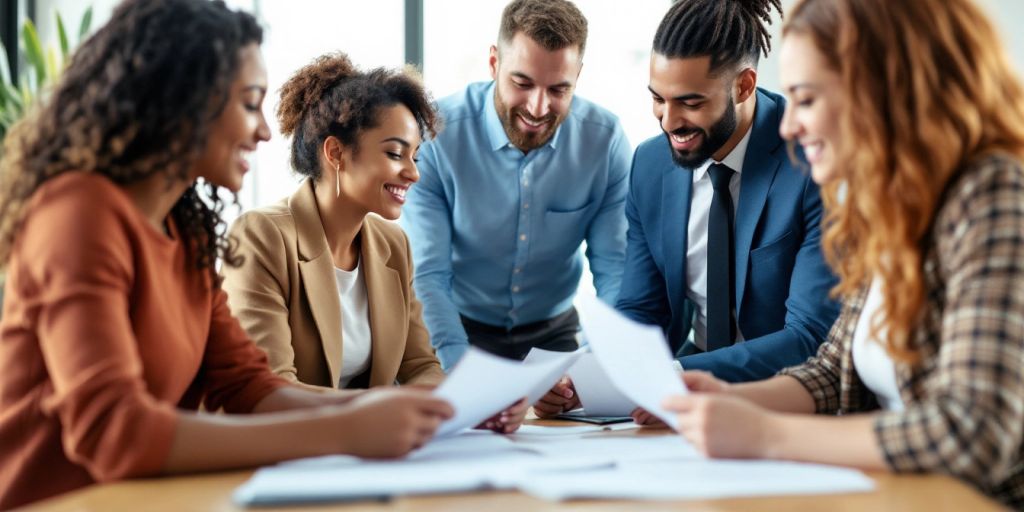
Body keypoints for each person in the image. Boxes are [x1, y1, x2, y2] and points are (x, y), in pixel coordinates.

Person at [0, 1, 453, 508]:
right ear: (183, 101)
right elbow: (114, 432)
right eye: (249, 103)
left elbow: (247, 390)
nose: (264, 130)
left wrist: (410, 408)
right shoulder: (79, 214)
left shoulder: (186, 229)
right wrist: (345, 430)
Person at [661, 0, 1024, 507]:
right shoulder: (885, 205)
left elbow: (971, 432)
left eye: (806, 101)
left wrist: (766, 435)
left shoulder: (995, 194)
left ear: (884, 92)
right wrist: (725, 400)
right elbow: (834, 371)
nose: (787, 127)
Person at [537, 0, 840, 418]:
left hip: (787, 403)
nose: (668, 121)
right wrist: (585, 378)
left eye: (691, 103)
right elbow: (643, 310)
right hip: (686, 399)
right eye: (658, 99)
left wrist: (675, 375)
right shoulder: (650, 165)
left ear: (744, 86)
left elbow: (810, 337)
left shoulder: (812, 158)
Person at [220, 53, 526, 433]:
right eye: (395, 153)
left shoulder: (392, 245)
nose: (413, 173)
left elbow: (421, 368)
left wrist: (467, 405)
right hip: (282, 455)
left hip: (366, 455)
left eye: (415, 156)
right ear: (335, 153)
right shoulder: (261, 237)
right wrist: (388, 406)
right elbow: (269, 391)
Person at [400, 0, 631, 371]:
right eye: (522, 83)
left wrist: (588, 368)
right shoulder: (435, 136)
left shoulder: (605, 142)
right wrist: (463, 377)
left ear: (578, 77)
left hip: (553, 332)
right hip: (456, 329)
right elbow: (427, 275)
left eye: (558, 90)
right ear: (494, 63)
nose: (539, 108)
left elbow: (616, 270)